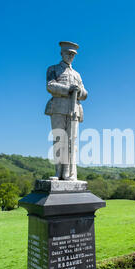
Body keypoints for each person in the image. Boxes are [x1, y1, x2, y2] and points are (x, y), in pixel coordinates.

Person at [45, 41, 88, 180]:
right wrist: (68, 90)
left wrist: (79, 91)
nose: (70, 56)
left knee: (72, 142)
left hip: (74, 110)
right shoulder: (53, 69)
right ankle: (58, 172)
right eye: (68, 53)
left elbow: (85, 94)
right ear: (61, 53)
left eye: (73, 55)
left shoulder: (77, 74)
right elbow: (50, 86)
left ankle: (69, 173)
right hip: (58, 108)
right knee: (59, 140)